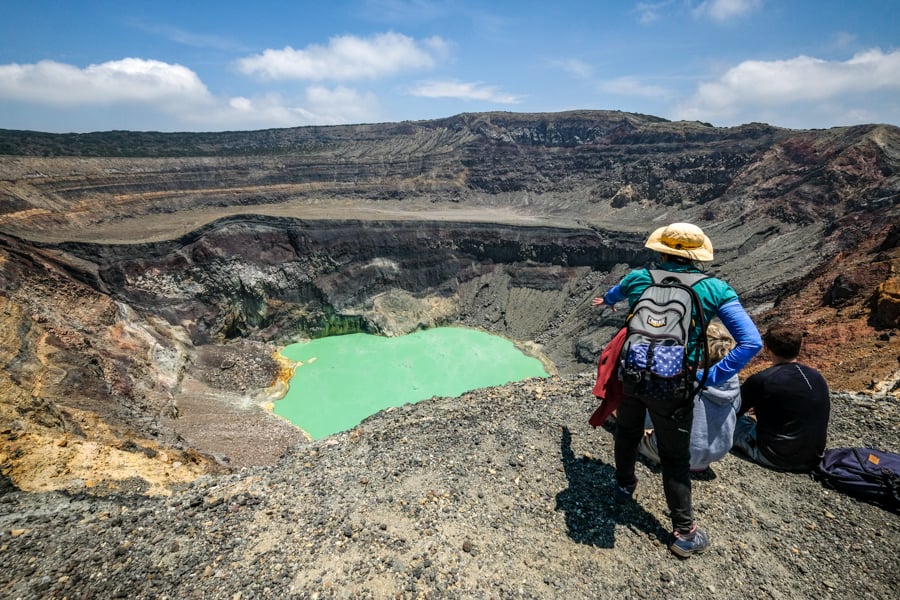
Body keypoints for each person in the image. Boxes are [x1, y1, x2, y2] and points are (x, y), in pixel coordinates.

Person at [592, 222, 762, 558]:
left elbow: (614, 295)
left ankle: (624, 486)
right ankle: (684, 533)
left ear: (660, 249)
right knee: (675, 456)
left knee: (627, 432)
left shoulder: (639, 277)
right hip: (674, 384)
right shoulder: (716, 289)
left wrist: (607, 301)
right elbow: (751, 341)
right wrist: (712, 376)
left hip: (632, 374)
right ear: (698, 255)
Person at [637, 322, 743, 473]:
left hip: (678, 453)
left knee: (622, 418)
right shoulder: (732, 380)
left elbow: (648, 417)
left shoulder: (683, 379)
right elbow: (736, 409)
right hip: (713, 453)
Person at [732, 324, 830, 472]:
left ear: (766, 348)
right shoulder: (817, 377)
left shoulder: (762, 380)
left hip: (774, 457)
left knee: (730, 423)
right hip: (813, 458)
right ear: (799, 347)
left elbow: (732, 412)